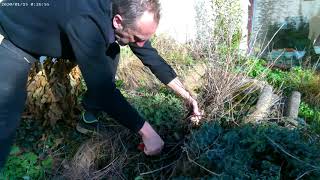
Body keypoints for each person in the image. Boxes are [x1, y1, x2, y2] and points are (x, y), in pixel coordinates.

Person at [0, 0, 203, 168]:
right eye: (138, 38)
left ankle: (88, 115)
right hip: (16, 34)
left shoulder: (124, 12)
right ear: (117, 21)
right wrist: (148, 133)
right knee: (6, 114)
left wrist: (186, 96)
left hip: (55, 25)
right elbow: (103, 89)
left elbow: (151, 57)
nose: (140, 44)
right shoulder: (86, 19)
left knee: (111, 50)